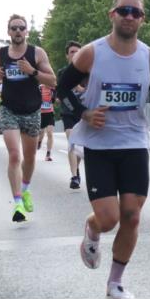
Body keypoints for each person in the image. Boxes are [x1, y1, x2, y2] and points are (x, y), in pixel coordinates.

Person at [57, 0, 150, 299]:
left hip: (135, 141)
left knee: (132, 215)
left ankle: (115, 284)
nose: (129, 16)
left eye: (135, 12)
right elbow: (62, 87)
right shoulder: (91, 53)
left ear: (142, 19)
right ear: (112, 14)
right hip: (99, 144)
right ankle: (93, 228)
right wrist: (84, 112)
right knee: (109, 218)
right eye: (124, 10)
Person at [0, 14, 58, 222]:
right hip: (9, 109)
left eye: (21, 28)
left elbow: (52, 81)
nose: (18, 31)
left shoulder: (37, 53)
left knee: (30, 157)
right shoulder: (1, 53)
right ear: (8, 32)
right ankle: (18, 203)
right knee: (15, 155)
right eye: (14, 28)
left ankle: (25, 189)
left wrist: (32, 71)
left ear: (26, 31)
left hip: (32, 111)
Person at [59, 41, 86, 189]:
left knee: (80, 147)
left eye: (77, 52)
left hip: (84, 113)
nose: (75, 54)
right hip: (68, 112)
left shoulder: (88, 72)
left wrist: (79, 87)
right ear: (67, 56)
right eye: (72, 52)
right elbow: (60, 91)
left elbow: (89, 91)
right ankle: (74, 176)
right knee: (72, 142)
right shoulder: (63, 72)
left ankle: (77, 170)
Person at [38, 82, 56, 161]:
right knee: (41, 132)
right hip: (41, 114)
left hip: (50, 113)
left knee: (49, 133)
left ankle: (48, 153)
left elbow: (56, 99)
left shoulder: (53, 89)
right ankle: (39, 141)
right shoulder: (40, 88)